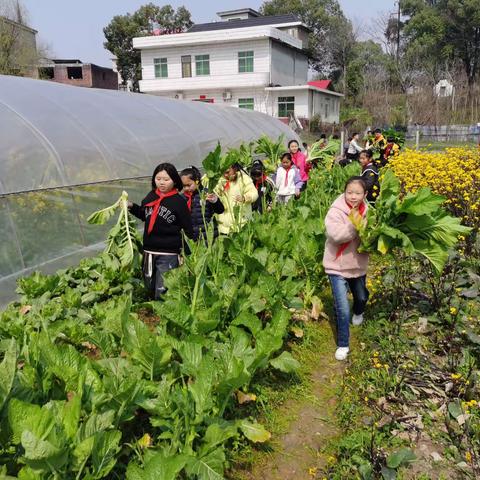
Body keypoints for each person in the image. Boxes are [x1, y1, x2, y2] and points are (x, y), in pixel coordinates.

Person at [129, 163, 193, 299]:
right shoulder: (151, 196)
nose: (161, 183)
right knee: (149, 285)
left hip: (168, 252)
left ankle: (164, 316)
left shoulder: (178, 201)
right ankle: (153, 311)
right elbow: (143, 214)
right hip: (149, 250)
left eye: (166, 179)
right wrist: (131, 206)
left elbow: (187, 226)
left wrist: (188, 251)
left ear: (174, 180)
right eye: (158, 179)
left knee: (163, 288)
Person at [323, 177, 370, 361]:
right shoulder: (335, 211)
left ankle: (359, 311)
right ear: (344, 192)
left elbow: (371, 238)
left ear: (365, 195)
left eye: (358, 193)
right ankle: (343, 344)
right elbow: (335, 235)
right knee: (342, 308)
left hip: (357, 265)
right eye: (349, 192)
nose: (353, 196)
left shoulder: (368, 212)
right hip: (336, 265)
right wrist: (355, 225)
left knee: (361, 297)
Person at [180, 166, 224, 241]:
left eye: (189, 185)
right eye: (184, 186)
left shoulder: (207, 193)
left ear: (197, 181)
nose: (186, 188)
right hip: (192, 238)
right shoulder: (182, 198)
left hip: (209, 236)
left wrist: (215, 201)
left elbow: (220, 210)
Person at [215, 163, 258, 234]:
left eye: (228, 172)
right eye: (223, 173)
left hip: (242, 224)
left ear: (234, 169)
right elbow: (215, 194)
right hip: (224, 226)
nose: (225, 175)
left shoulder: (243, 178)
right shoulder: (221, 181)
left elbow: (254, 193)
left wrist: (245, 198)